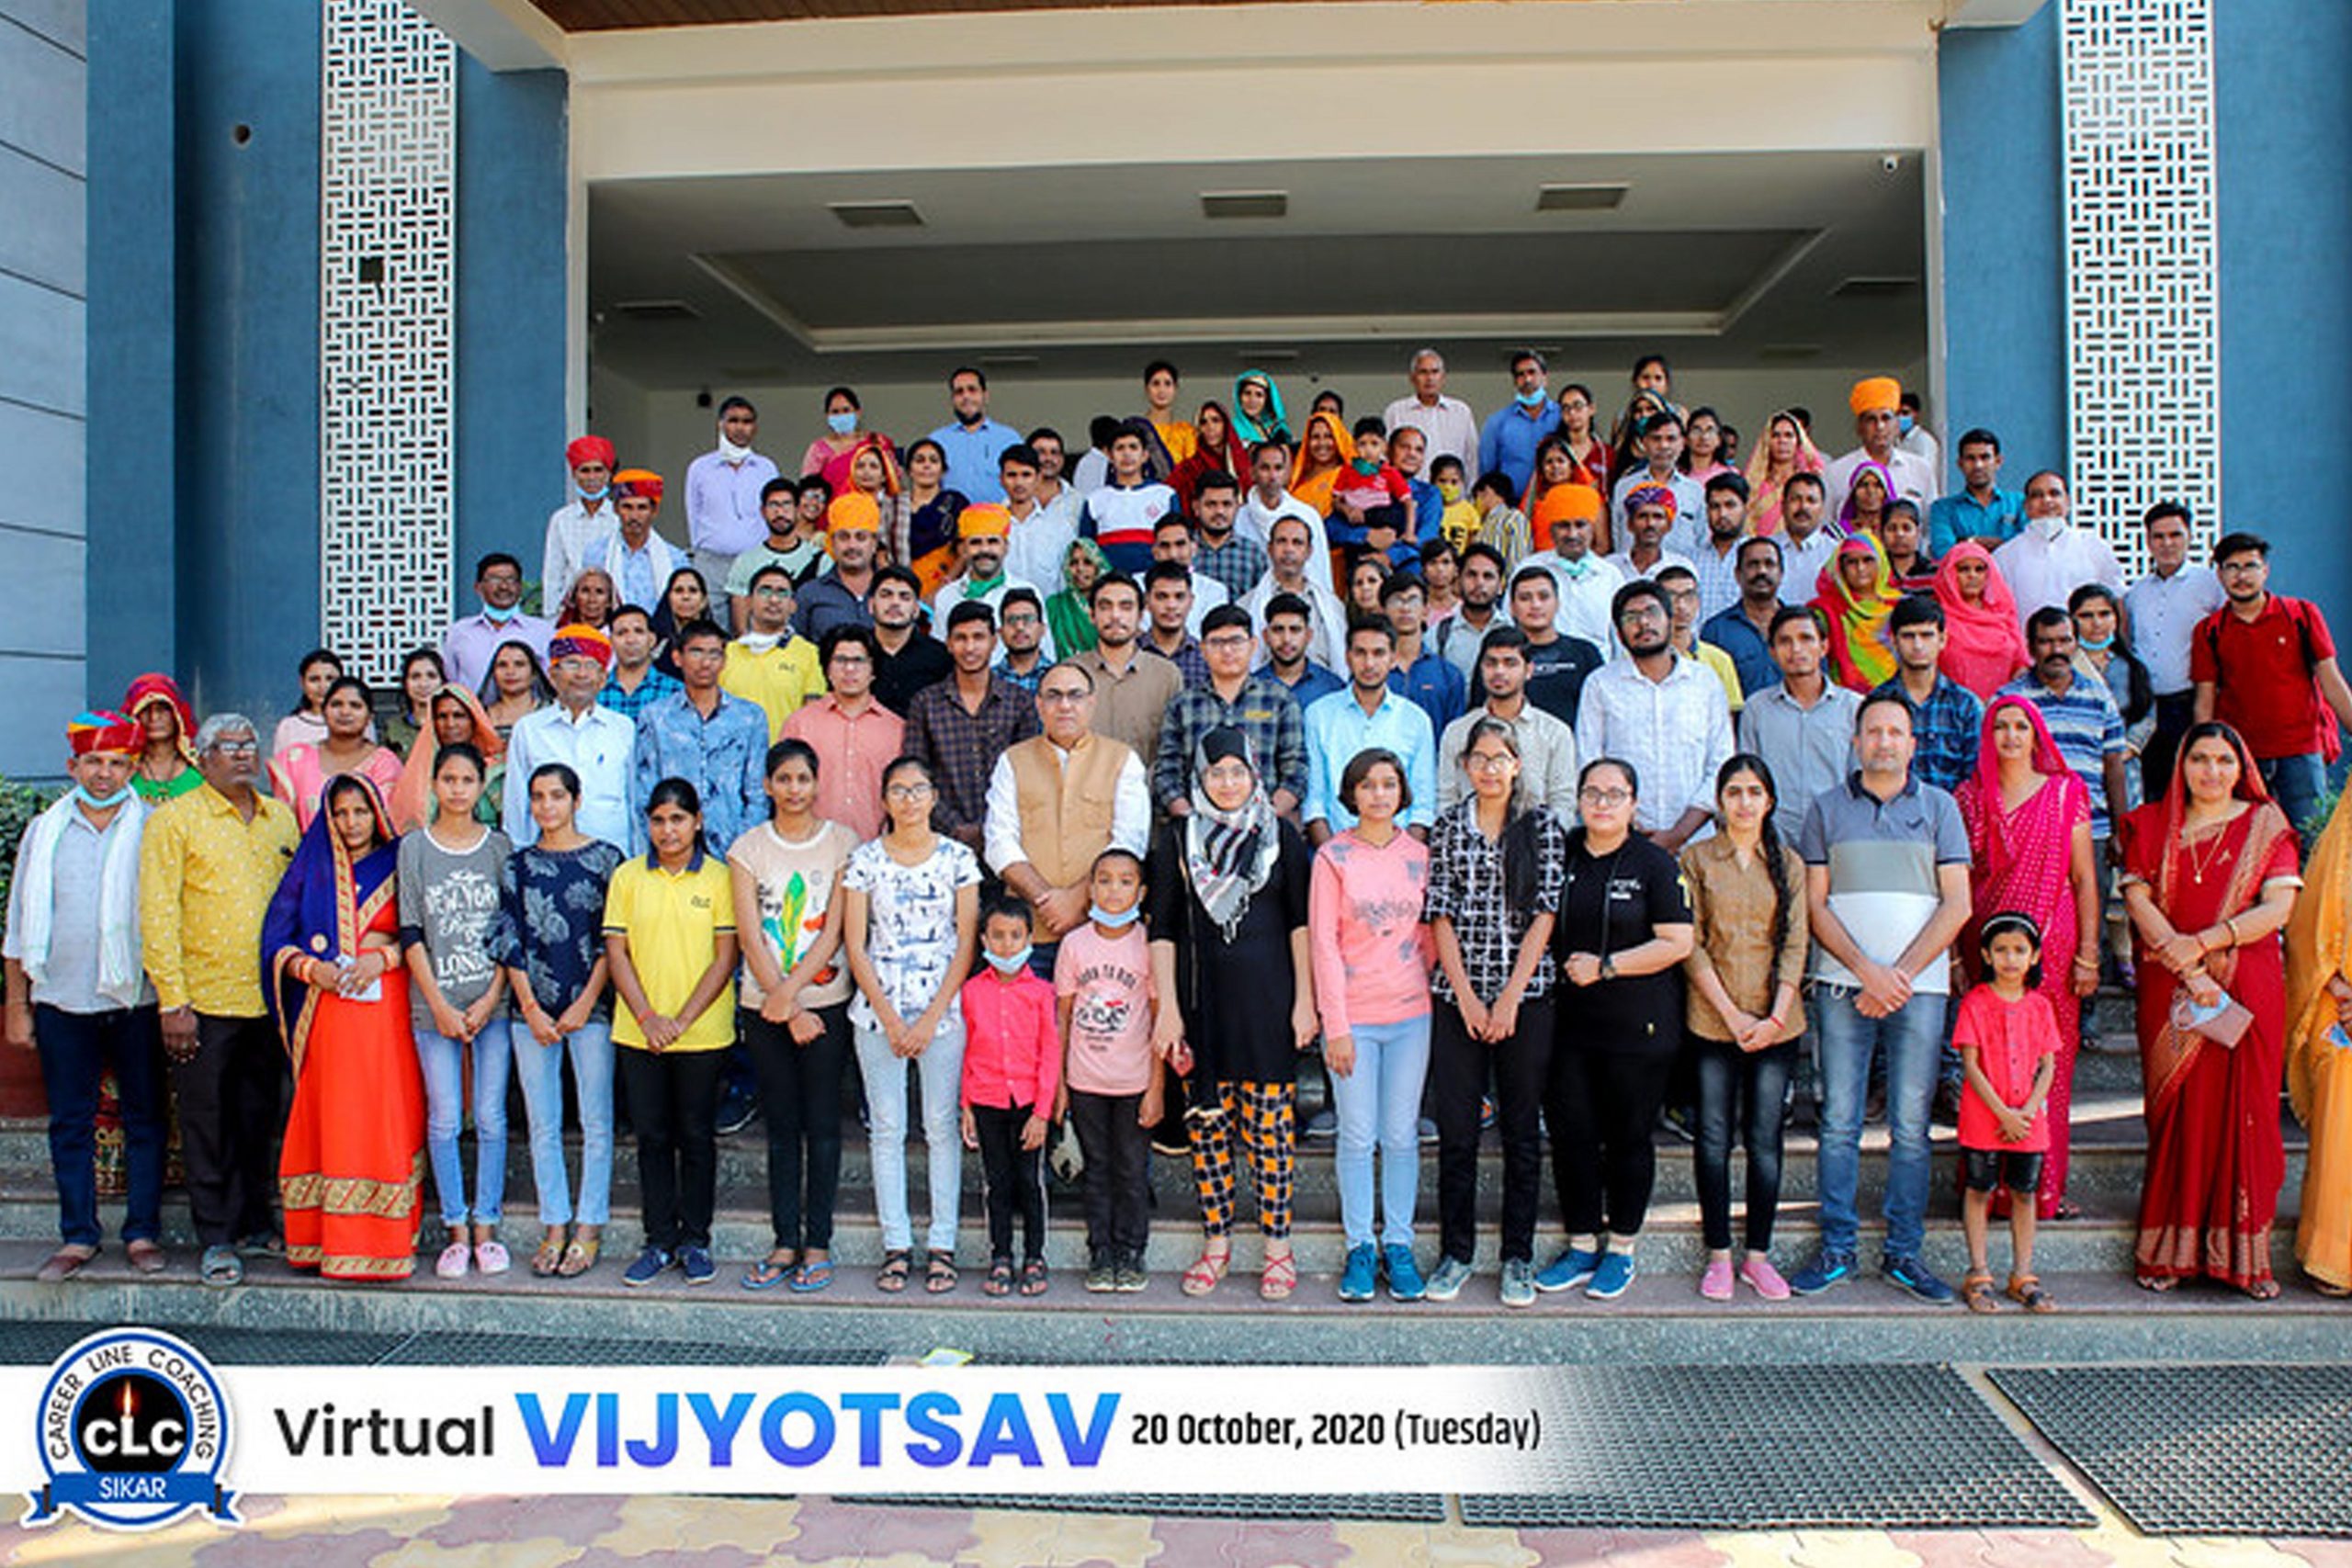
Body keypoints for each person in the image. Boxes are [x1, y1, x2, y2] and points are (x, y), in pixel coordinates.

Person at [1790, 693, 1972, 1303]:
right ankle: (1837, 1247)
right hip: (1844, 984)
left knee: (1912, 1126)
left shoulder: (1940, 807)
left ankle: (1904, 1252)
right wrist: (1867, 971)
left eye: (1896, 732)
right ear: (1856, 741)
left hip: (1919, 988)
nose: (1884, 741)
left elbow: (1958, 903)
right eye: (1874, 731)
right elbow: (1815, 904)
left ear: (1912, 744)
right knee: (1839, 1121)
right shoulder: (1825, 809)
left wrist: (1898, 976)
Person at [2120, 721, 2301, 1297]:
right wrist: (2189, 969)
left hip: (2245, 988)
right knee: (2179, 1115)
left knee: (2246, 1115)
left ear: (2241, 768)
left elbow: (2278, 909)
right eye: (2200, 759)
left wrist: (2202, 943)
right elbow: (2137, 898)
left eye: (2224, 761)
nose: (2212, 772)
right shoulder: (2150, 824)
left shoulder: (2266, 825)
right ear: (2182, 766)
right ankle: (2169, 1253)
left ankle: (2244, 1262)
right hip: (2170, 987)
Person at [1148, 728, 1317, 1301]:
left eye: (1237, 771)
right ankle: (1216, 1244)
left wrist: (1306, 1001)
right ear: (1200, 778)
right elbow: (1163, 928)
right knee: (1209, 1134)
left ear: (1254, 776)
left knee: (1271, 1138)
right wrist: (1168, 1012)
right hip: (1202, 1010)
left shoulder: (1281, 837)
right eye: (1215, 772)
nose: (1226, 782)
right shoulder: (1178, 839)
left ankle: (1278, 1249)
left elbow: (1300, 924)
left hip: (1270, 1008)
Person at [140, 714, 300, 1287]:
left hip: (268, 1000)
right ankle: (215, 1237)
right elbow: (158, 913)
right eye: (228, 747)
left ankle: (255, 1222)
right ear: (202, 758)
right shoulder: (175, 821)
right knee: (206, 1122)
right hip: (202, 1002)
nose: (242, 755)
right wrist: (172, 1001)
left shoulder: (280, 817)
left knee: (259, 1116)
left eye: (248, 745)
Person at [5, 713, 164, 1281]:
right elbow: (18, 924)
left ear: (134, 768)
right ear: (72, 766)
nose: (104, 773)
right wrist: (18, 1006)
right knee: (70, 1121)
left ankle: (142, 1232)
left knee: (145, 1118)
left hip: (137, 999)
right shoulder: (43, 831)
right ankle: (78, 1236)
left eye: (117, 763)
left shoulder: (154, 827)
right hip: (61, 999)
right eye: (93, 761)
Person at [1535, 758, 1696, 1301]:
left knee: (1628, 1139)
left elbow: (1678, 941)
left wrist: (1607, 966)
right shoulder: (1561, 855)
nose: (1602, 803)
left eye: (1614, 794)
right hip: (1568, 1028)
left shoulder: (1654, 863)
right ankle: (1582, 1244)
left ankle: (1621, 1248)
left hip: (1638, 1028)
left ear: (1634, 803)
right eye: (1592, 793)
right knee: (1572, 1137)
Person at [1422, 718, 1568, 1306]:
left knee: (1521, 1133)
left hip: (1525, 1001)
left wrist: (1508, 998)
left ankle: (1517, 1256)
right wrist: (1466, 996)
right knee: (1458, 1133)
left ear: (1517, 765)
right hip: (1457, 998)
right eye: (1478, 758)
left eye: (1499, 758)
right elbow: (1439, 913)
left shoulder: (1541, 826)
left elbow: (1545, 914)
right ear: (1464, 766)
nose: (1488, 768)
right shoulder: (1448, 827)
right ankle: (1456, 1253)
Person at [263, 774, 423, 1280]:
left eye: (360, 811)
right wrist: (314, 970)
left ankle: (386, 1241)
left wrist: (384, 958)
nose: (352, 823)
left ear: (376, 812)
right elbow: (275, 942)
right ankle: (325, 1242)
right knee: (334, 1118)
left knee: (384, 1115)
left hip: (387, 1015)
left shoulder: (400, 861)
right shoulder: (309, 870)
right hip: (328, 1016)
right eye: (341, 813)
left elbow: (427, 934)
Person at [1952, 696, 2098, 1219]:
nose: (2011, 736)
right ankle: (1986, 1187)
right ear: (1987, 736)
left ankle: (2043, 1187)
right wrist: (1956, 957)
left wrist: (2088, 953)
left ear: (2037, 735)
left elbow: (2084, 878)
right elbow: (1959, 879)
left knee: (2047, 1066)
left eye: (2021, 726)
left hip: (2053, 946)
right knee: (1990, 1063)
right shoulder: (1970, 797)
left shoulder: (2065, 793)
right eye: (2001, 727)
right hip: (1987, 947)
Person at [845, 755, 982, 1295]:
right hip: (876, 1013)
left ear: (933, 796)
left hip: (941, 1014)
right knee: (886, 1128)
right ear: (884, 799)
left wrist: (928, 1018)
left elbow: (966, 941)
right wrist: (888, 1016)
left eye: (918, 789)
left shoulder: (958, 860)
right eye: (898, 790)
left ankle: (943, 1244)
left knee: (941, 1128)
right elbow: (855, 943)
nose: (909, 799)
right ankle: (896, 1244)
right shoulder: (864, 860)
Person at [729, 739, 857, 1294]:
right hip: (765, 1008)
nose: (794, 789)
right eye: (783, 779)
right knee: (781, 1127)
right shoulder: (747, 848)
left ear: (816, 783)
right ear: (767, 785)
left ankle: (818, 1243)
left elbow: (833, 932)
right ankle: (785, 1240)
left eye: (803, 778)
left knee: (823, 1126)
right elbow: (749, 932)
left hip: (825, 1007)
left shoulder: (843, 843)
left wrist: (796, 999)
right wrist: (783, 1004)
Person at [1679, 755, 1807, 1302]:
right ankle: (1718, 1256)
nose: (1744, 802)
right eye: (1734, 792)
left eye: (1754, 792)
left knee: (1764, 1140)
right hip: (1713, 1019)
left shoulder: (1789, 863)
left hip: (1777, 1022)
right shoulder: (1696, 859)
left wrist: (1775, 1016)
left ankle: (1757, 1255)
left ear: (1769, 801)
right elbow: (1691, 943)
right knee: (1713, 1138)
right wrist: (1732, 1016)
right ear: (1720, 801)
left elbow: (1797, 942)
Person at [490, 761, 623, 1280]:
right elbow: (508, 937)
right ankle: (554, 1223)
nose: (547, 806)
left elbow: (613, 939)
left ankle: (588, 1226)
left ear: (576, 800)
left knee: (596, 1121)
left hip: (591, 1007)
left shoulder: (606, 860)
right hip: (531, 1011)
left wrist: (586, 1001)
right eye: (538, 797)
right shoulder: (517, 865)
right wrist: (528, 1006)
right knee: (543, 1123)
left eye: (557, 796)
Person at [1308, 749, 1433, 1303]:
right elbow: (1323, 944)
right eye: (1367, 785)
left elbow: (1429, 937)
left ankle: (1398, 1244)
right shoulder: (1332, 857)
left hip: (1410, 1014)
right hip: (1353, 1018)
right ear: (1351, 794)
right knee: (1358, 1135)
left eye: (1388, 784)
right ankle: (1361, 1245)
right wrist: (1334, 1024)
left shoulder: (1420, 857)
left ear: (1402, 792)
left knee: (1401, 1135)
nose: (1379, 794)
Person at [605, 777, 740, 1289]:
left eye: (678, 819)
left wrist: (680, 1021)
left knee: (697, 1136)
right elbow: (617, 953)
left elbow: (725, 958)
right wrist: (648, 1018)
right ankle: (659, 1240)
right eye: (659, 820)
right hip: (639, 1033)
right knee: (652, 1138)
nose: (668, 830)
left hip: (702, 1033)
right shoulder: (627, 877)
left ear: (697, 821)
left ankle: (696, 1240)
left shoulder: (720, 879)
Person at [397, 743, 514, 1279]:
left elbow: (509, 931)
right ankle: (455, 1230)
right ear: (434, 784)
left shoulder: (499, 847)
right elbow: (410, 931)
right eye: (449, 779)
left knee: (490, 1116)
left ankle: (486, 1226)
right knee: (444, 1117)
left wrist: (491, 998)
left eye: (468, 780)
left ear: (481, 786)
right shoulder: (414, 848)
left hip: (492, 1003)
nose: (458, 790)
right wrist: (439, 1004)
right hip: (434, 1004)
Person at [985, 663, 1150, 960]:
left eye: (1075, 695)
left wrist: (1075, 900)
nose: (1064, 705)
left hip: (1101, 931)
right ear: (1039, 705)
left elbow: (1129, 842)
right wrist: (1048, 902)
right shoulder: (1012, 761)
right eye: (1053, 696)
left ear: (1091, 702)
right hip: (1027, 934)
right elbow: (1000, 843)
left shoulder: (1122, 759)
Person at [2191, 532, 2352, 836]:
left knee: (2309, 839)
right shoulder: (2209, 631)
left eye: (2250, 566)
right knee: (2248, 843)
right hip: (2241, 757)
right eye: (2232, 567)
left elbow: (2332, 683)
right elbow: (2205, 700)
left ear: (2265, 570)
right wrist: (2205, 754)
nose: (2241, 576)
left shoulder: (2301, 615)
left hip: (2301, 752)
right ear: (2220, 575)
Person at [1057, 849, 1159, 1292]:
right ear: (1090, 888)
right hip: (1085, 1080)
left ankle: (1131, 1251)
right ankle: (1100, 1252)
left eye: (1125, 881)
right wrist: (1059, 1084)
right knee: (1096, 1168)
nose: (1113, 890)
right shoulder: (1075, 944)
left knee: (1132, 1170)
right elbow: (1062, 1017)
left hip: (1134, 1080)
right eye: (1104, 880)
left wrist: (1156, 1088)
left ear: (1141, 891)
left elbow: (1159, 1020)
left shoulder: (1148, 945)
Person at [1954, 911, 2062, 1314]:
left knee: (2024, 1192)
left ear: (2034, 956)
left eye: (2019, 950)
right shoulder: (1975, 1003)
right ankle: (1979, 1272)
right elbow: (1970, 1064)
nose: (2010, 959)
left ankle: (2023, 1274)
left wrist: (2028, 1111)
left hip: (2028, 1119)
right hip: (1985, 1116)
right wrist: (2004, 1114)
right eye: (2001, 950)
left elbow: (2048, 1065)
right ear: (1986, 955)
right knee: (1979, 1189)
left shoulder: (2040, 1006)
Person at [1576, 581, 1733, 852]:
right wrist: (1627, 827)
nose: (1644, 623)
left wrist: (1678, 834)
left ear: (1670, 621)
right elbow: (1589, 762)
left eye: (1652, 612)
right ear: (1619, 634)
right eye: (1631, 617)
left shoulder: (1705, 682)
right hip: (1622, 842)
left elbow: (1721, 764)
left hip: (1698, 843)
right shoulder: (1600, 685)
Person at [958, 896, 1059, 1298]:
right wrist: (966, 1105)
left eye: (1016, 936)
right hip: (987, 1100)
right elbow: (966, 1050)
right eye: (997, 936)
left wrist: (1042, 1112)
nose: (1006, 945)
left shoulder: (1042, 992)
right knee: (997, 1182)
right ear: (984, 939)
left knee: (1030, 1182)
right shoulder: (970, 992)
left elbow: (1050, 1054)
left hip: (1028, 1103)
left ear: (1029, 939)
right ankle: (1000, 1255)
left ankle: (1035, 1256)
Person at [2001, 610, 2130, 886]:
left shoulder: (2099, 696)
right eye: (2046, 642)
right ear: (2031, 647)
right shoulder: (2011, 699)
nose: (2056, 650)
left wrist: (2119, 832)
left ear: (2075, 644)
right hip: (2031, 831)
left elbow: (2114, 767)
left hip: (2093, 829)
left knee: (2092, 910)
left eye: (2064, 640)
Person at [905, 601, 1043, 856]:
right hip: (941, 843)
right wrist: (956, 827)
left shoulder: (1020, 702)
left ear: (994, 641)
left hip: (1008, 839)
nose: (970, 648)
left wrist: (988, 827)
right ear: (948, 644)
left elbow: (1027, 774)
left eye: (978, 637)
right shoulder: (925, 704)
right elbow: (915, 775)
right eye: (961, 638)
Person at [2286, 786, 2352, 1294]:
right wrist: (2338, 987)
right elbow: (2307, 928)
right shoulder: (2340, 845)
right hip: (2341, 1003)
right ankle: (2335, 1258)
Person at [1152, 605, 1308, 819]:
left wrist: (1266, 817)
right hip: (1197, 827)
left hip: (1265, 824)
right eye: (1217, 643)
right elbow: (1167, 771)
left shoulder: (1279, 700)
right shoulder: (1183, 706)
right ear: (1203, 649)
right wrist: (1190, 818)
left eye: (1236, 641)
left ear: (1253, 645)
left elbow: (1296, 768)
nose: (1227, 651)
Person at [629, 619, 767, 857]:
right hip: (672, 846)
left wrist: (743, 849)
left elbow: (757, 794)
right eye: (696, 652)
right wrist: (652, 849)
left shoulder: (749, 717)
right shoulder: (656, 717)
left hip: (733, 846)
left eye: (714, 654)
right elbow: (644, 792)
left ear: (724, 661)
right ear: (677, 658)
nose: (706, 662)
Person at [2125, 502, 2228, 803]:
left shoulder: (2210, 585)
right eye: (2158, 536)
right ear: (2148, 541)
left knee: (2192, 787)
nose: (2167, 543)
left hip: (2191, 702)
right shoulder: (2137, 593)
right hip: (2146, 707)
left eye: (2175, 535)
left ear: (2190, 536)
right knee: (2152, 790)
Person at [1303, 620, 1439, 845]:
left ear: (1393, 658)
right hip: (1335, 847)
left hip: (1399, 850)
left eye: (1378, 653)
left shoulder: (1416, 720)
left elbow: (1422, 807)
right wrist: (1333, 856)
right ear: (1347, 657)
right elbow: (1314, 803)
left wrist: (1401, 856)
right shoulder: (1318, 715)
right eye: (1360, 653)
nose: (1369, 663)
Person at [504, 625, 632, 852]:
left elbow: (634, 801)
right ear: (552, 675)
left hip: (615, 857)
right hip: (548, 859)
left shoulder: (623, 729)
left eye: (591, 665)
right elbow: (516, 804)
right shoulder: (529, 730)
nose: (581, 674)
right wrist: (519, 855)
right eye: (572, 664)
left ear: (603, 678)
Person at [1737, 606, 1859, 843]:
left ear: (1824, 647)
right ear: (1772, 652)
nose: (1796, 649)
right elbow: (1749, 778)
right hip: (1775, 839)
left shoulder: (1853, 708)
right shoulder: (1757, 709)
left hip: (1837, 838)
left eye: (1806, 639)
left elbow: (1860, 780)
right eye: (1785, 641)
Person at [782, 626, 905, 844]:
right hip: (810, 848)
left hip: (877, 850)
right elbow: (782, 789)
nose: (849, 669)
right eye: (840, 660)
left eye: (859, 661)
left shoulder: (896, 729)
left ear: (873, 670)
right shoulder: (800, 724)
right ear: (827, 669)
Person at [1438, 626, 1580, 816]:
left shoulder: (1554, 733)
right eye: (1491, 663)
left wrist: (1544, 833)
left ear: (1528, 670)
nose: (1499, 671)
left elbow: (1563, 802)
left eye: (1510, 663)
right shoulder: (1458, 732)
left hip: (1537, 832)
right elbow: (1447, 798)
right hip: (1470, 833)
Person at [1069, 573, 1184, 772]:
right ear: (1092, 615)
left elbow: (1175, 750)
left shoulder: (1167, 675)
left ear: (1140, 616)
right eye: (1105, 607)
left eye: (1126, 607)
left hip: (1149, 789)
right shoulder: (1070, 673)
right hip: (1083, 787)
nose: (1115, 615)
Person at [1871, 596, 1984, 795]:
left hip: (1952, 812)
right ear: (1894, 641)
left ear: (1942, 639)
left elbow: (1974, 779)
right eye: (1908, 636)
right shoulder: (1877, 703)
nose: (1917, 645)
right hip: (1891, 811)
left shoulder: (1966, 706)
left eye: (1926, 635)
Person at [269, 676, 403, 832]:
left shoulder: (385, 763)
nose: (345, 712)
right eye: (336, 704)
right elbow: (282, 821)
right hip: (305, 847)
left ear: (369, 718)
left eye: (355, 706)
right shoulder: (296, 759)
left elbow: (389, 822)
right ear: (324, 712)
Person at [1992, 471, 2123, 626]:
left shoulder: (2094, 547)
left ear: (2068, 502)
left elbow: (2116, 600)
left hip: (2083, 642)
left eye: (2054, 494)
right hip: (2025, 641)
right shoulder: (2005, 556)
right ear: (2026, 506)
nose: (2047, 501)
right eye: (2037, 495)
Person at [684, 395, 779, 595]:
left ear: (755, 427)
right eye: (733, 421)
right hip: (711, 562)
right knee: (710, 614)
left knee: (755, 613)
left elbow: (774, 511)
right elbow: (693, 513)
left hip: (755, 561)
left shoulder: (766, 468)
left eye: (747, 421)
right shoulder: (700, 468)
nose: (740, 427)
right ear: (720, 425)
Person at [1488, 568, 1605, 730]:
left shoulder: (1585, 653)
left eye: (1543, 597)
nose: (1535, 605)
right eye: (1525, 598)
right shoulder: (1498, 654)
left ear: (1557, 603)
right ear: (1512, 607)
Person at [722, 566, 828, 740]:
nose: (773, 600)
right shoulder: (725, 654)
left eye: (782, 593)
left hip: (784, 755)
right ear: (748, 602)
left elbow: (813, 717)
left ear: (793, 606)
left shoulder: (809, 654)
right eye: (765, 591)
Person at [390, 682, 505, 835]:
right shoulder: (419, 771)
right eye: (442, 716)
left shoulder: (497, 771)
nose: (450, 724)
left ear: (474, 720)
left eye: (459, 716)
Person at [1238, 514, 1349, 671]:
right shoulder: (1247, 606)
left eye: (1297, 543)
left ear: (1309, 551)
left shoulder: (1331, 606)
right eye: (1282, 541)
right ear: (1270, 549)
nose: (1289, 549)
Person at [1825, 377, 1938, 517]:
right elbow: (1826, 524)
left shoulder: (1920, 469)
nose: (1880, 426)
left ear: (1897, 425)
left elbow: (1930, 524)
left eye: (1886, 418)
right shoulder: (1836, 472)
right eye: (1871, 420)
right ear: (1859, 427)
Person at [1526, 485, 1623, 649]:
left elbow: (1620, 638)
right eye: (1563, 526)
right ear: (1551, 530)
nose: (1572, 534)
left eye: (1580, 525)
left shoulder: (1610, 575)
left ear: (1592, 528)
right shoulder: (1529, 569)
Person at [442, 554, 554, 694]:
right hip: (473, 708)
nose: (504, 586)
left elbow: (553, 681)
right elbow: (450, 682)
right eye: (495, 579)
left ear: (520, 587)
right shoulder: (459, 632)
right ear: (478, 587)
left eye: (511, 580)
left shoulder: (543, 632)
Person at [1933, 541, 2032, 698]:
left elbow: (2021, 662)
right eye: (1964, 569)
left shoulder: (2003, 614)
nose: (1972, 575)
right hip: (1951, 706)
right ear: (1950, 574)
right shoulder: (1937, 618)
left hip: (2002, 707)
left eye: (1979, 569)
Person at [726, 478, 825, 632]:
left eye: (786, 504)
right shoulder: (746, 562)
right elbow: (741, 627)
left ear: (798, 509)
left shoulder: (819, 558)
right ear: (763, 511)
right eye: (773, 505)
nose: (780, 512)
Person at [1379, 573, 1467, 737]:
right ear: (1383, 611)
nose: (1405, 608)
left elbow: (1454, 737)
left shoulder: (1448, 676)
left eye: (1413, 601)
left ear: (1426, 610)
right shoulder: (1371, 671)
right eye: (1396, 601)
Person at [1702, 536, 1789, 701]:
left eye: (1769, 564)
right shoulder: (1717, 630)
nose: (1762, 571)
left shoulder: (1800, 626)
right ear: (1737, 574)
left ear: (1781, 573)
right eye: (1753, 564)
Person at [1815, 535, 1902, 694]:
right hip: (1843, 698)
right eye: (1852, 562)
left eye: (1868, 560)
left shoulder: (1901, 606)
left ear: (1881, 562)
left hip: (1897, 696)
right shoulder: (1826, 610)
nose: (1861, 568)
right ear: (1841, 568)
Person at [794, 492, 883, 646]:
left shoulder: (893, 593)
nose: (852, 545)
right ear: (832, 543)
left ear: (874, 543)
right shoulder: (809, 594)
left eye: (861, 537)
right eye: (843, 537)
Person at [1608, 411, 1704, 553]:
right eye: (1656, 439)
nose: (1663, 445)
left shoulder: (1695, 491)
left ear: (1683, 443)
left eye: (1671, 439)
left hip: (1681, 567)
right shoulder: (1625, 487)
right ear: (1644, 443)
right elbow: (1617, 536)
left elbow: (1702, 541)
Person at [543, 434, 618, 614]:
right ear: (574, 475)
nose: (592, 477)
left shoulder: (619, 516)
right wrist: (551, 615)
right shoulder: (561, 519)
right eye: (585, 471)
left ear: (608, 474)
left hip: (612, 609)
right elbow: (553, 574)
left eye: (598, 470)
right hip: (571, 611)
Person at [1657, 565, 1745, 715]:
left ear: (1698, 602)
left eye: (1688, 596)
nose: (1681, 605)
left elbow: (1729, 718)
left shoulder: (1720, 660)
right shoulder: (1642, 659)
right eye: (1671, 597)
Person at [868, 565, 955, 716]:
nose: (895, 602)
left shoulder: (940, 657)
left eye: (905, 597)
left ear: (916, 609)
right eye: (886, 595)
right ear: (871, 605)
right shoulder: (855, 652)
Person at [999, 443, 1080, 601]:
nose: (1019, 482)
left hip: (1047, 613)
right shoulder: (991, 527)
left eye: (1026, 475)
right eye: (1012, 475)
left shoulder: (1060, 528)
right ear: (1001, 479)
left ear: (1037, 478)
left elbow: (1068, 581)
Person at [1477, 349, 1562, 497]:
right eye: (1520, 375)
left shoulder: (1562, 416)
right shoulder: (1497, 423)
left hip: (1556, 502)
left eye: (1532, 372)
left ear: (1545, 378)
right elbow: (1487, 473)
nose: (1527, 379)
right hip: (1513, 505)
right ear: (1515, 382)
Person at [928, 367, 1020, 503]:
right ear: (953, 399)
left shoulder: (1009, 439)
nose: (966, 396)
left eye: (972, 390)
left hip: (998, 515)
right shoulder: (936, 441)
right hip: (951, 516)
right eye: (959, 392)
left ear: (985, 396)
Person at [1928, 428, 2025, 557]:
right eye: (1970, 458)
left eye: (1985, 457)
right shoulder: (1943, 509)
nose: (1978, 465)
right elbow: (1943, 552)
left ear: (1998, 462)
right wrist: (2001, 543)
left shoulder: (2020, 503)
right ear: (1960, 464)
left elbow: (2027, 548)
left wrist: (1967, 542)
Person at [897, 438, 969, 597]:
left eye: (933, 461)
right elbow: (884, 551)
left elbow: (965, 551)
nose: (926, 465)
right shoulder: (895, 506)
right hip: (900, 589)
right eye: (919, 460)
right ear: (909, 470)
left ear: (943, 470)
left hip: (948, 588)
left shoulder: (955, 503)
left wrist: (943, 588)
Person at [1384, 348, 1478, 468]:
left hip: (1451, 480)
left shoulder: (1461, 412)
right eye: (1423, 372)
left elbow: (1472, 458)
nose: (1429, 378)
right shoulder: (1396, 411)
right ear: (1412, 378)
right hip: (1407, 481)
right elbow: (1386, 455)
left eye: (1435, 372)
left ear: (1443, 377)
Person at [1743, 410, 1825, 538]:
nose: (1782, 441)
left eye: (1788, 435)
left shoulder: (1809, 483)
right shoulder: (1754, 482)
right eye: (1776, 435)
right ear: (1767, 442)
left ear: (1798, 442)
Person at [123, 672, 203, 802]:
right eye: (145, 710)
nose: (154, 717)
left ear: (178, 714)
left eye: (163, 709)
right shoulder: (121, 770)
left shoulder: (202, 770)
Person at [1433, 543, 1507, 686]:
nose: (1479, 583)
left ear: (1500, 587)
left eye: (1488, 576)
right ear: (1458, 580)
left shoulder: (1513, 629)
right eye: (1471, 575)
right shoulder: (1438, 635)